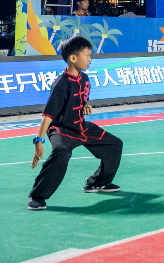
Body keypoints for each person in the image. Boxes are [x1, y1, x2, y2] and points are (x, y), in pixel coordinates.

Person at [27, 36, 124, 210]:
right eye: (87, 55)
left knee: (115, 144)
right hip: (62, 129)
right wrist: (39, 142)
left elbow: (81, 101)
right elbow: (48, 116)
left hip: (81, 127)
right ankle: (37, 196)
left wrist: (85, 107)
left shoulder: (85, 79)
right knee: (61, 151)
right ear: (73, 58)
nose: (90, 59)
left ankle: (96, 183)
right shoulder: (60, 84)